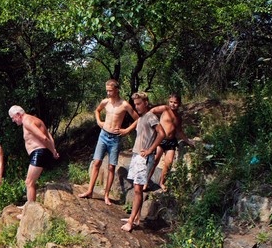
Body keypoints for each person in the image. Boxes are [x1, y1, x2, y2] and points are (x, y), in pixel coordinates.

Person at [79, 79, 140, 205]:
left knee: (111, 167)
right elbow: (97, 110)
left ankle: (106, 194)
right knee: (96, 162)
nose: (108, 93)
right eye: (107, 90)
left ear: (117, 89)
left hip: (115, 137)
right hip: (103, 135)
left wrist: (127, 130)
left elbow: (138, 118)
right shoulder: (105, 102)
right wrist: (98, 121)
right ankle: (90, 190)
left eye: (110, 90)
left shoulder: (124, 104)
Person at [122, 92, 166, 232]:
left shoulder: (151, 117)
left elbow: (162, 133)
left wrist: (150, 150)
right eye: (135, 104)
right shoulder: (141, 118)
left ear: (146, 102)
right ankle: (135, 218)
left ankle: (131, 221)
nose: (137, 107)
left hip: (144, 158)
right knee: (137, 189)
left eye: (139, 104)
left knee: (137, 189)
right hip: (136, 156)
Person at [8, 105, 59, 213]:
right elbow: (48, 134)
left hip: (39, 152)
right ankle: (29, 205)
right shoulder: (34, 119)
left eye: (13, 118)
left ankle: (29, 212)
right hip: (40, 152)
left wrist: (53, 151)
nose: (13, 121)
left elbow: (44, 137)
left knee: (29, 182)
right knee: (30, 182)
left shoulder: (27, 121)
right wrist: (53, 149)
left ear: (18, 114)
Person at [150, 93, 194, 192]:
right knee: (155, 160)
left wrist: (188, 141)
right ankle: (146, 181)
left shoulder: (178, 117)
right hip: (161, 140)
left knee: (169, 163)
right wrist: (152, 124)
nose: (172, 104)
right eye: (171, 102)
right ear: (168, 101)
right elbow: (151, 111)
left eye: (175, 103)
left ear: (179, 104)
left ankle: (162, 182)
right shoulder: (165, 109)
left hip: (171, 141)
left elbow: (179, 131)